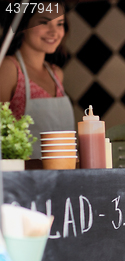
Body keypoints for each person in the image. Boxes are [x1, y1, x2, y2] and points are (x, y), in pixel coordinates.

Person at [0, 1, 74, 159]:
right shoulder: (8, 68)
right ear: (23, 25)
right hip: (24, 176)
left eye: (59, 23)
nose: (54, 32)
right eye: (44, 22)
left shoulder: (56, 73)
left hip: (64, 173)